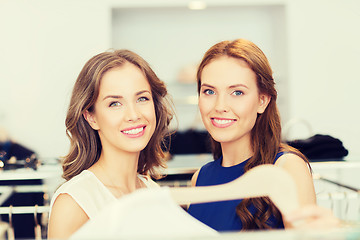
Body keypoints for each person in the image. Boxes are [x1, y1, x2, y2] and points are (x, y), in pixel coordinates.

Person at [187, 38, 337, 231]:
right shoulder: (199, 178)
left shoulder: (288, 168)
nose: (220, 106)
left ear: (262, 100)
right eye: (209, 91)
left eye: (237, 92)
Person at [48, 49, 174, 239]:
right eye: (115, 103)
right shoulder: (74, 202)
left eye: (142, 98)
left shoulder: (152, 191)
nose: (133, 115)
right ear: (91, 117)